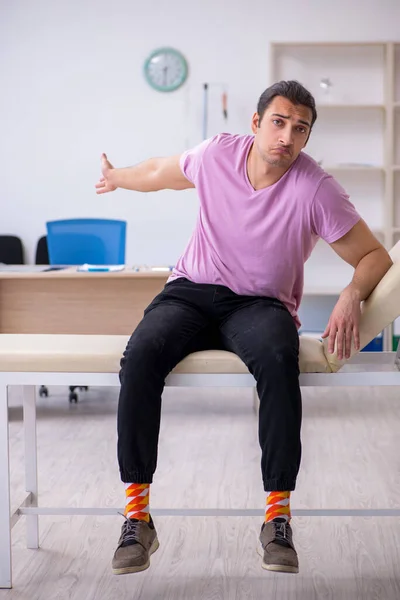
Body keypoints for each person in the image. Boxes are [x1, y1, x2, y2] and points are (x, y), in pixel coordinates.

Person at [95, 80, 392, 575]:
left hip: (260, 305)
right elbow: (158, 172)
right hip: (190, 291)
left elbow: (373, 256)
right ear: (255, 123)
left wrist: (350, 293)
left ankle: (277, 517)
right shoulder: (216, 156)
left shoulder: (316, 188)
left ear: (307, 138)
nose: (287, 137)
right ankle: (137, 513)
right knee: (141, 356)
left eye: (300, 129)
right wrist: (117, 177)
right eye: (278, 122)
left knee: (280, 361)